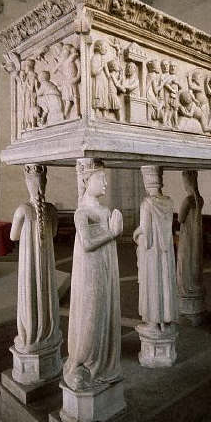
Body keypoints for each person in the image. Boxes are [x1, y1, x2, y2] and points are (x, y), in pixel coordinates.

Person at [63, 159, 123, 391]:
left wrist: (112, 231)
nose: (106, 182)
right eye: (101, 178)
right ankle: (80, 361)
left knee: (105, 312)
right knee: (90, 315)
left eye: (106, 178)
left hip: (106, 268)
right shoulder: (82, 212)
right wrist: (112, 232)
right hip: (89, 271)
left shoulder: (104, 210)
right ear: (88, 181)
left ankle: (104, 364)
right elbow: (87, 244)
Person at [10, 165, 61, 356]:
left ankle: (30, 335)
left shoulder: (22, 210)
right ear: (45, 183)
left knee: (31, 292)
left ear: (27, 184)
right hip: (45, 261)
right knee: (45, 292)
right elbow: (54, 233)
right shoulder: (51, 210)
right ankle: (48, 332)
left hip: (29, 262)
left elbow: (13, 236)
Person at [133, 165, 178, 333]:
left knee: (152, 283)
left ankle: (153, 321)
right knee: (165, 282)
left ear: (146, 183)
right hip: (166, 252)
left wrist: (134, 234)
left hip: (151, 252)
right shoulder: (168, 201)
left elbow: (144, 229)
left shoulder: (147, 203)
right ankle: (165, 320)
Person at [176, 171, 204, 297]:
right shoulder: (200, 199)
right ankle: (194, 284)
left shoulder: (188, 200)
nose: (184, 185)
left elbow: (180, 219)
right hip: (196, 234)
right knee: (194, 259)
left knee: (185, 260)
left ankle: (186, 287)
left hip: (187, 235)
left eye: (185, 181)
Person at [91, 40, 109, 117]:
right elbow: (94, 72)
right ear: (99, 47)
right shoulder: (94, 58)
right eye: (105, 47)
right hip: (98, 79)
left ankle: (104, 112)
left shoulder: (103, 59)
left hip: (103, 79)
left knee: (104, 94)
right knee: (97, 94)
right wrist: (101, 66)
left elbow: (108, 74)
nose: (106, 49)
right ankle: (97, 111)